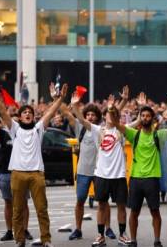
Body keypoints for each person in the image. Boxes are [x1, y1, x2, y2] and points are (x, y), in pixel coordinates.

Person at [0, 82, 68, 247]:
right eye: (25, 112)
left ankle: (46, 240)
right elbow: (1, 110)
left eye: (30, 112)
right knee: (17, 210)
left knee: (42, 209)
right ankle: (20, 240)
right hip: (17, 174)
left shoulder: (38, 128)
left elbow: (50, 112)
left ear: (33, 116)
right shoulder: (14, 128)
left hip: (37, 174)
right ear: (20, 117)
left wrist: (61, 99)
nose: (28, 114)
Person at [109, 104, 167, 247]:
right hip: (136, 179)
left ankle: (157, 240)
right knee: (134, 212)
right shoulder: (134, 134)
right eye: (143, 116)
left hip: (152, 179)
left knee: (155, 211)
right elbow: (116, 124)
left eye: (148, 116)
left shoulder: (159, 135)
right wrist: (112, 109)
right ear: (140, 118)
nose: (145, 118)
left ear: (152, 119)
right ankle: (133, 241)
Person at [71, 86, 131, 247]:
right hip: (102, 175)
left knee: (120, 206)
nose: (110, 116)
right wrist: (75, 106)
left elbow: (132, 119)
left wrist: (124, 100)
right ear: (103, 117)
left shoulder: (122, 131)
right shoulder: (98, 130)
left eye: (113, 114)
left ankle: (122, 235)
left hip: (118, 175)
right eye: (107, 114)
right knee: (101, 206)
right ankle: (100, 236)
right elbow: (83, 121)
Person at [58, 102, 116, 241]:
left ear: (97, 117)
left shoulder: (102, 129)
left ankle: (108, 229)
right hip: (83, 171)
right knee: (80, 201)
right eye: (88, 114)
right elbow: (66, 113)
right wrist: (58, 99)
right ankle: (78, 230)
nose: (90, 117)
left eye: (93, 115)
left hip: (99, 171)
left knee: (103, 202)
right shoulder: (80, 127)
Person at [0, 118, 33, 242]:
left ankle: (25, 230)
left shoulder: (25, 133)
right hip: (6, 173)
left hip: (21, 172)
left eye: (16, 121)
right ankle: (10, 231)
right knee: (8, 203)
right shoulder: (3, 134)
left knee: (24, 203)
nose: (13, 123)